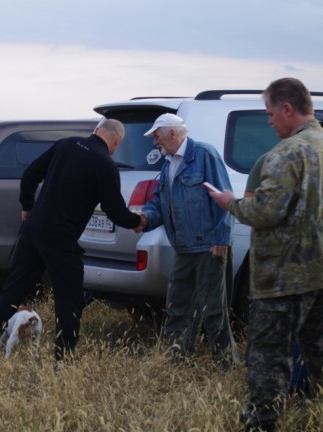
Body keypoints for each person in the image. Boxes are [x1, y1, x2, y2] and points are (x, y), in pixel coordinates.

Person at [0, 117, 145, 362]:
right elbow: (114, 211)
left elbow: (30, 175)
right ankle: (63, 359)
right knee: (70, 298)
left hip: (33, 229)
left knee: (14, 289)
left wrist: (27, 206)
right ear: (116, 141)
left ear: (96, 130)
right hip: (61, 237)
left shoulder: (66, 144)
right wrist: (137, 222)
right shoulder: (105, 164)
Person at [211, 77, 323, 432]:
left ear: (287, 109)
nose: (269, 120)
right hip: (319, 274)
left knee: (267, 361)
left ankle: (261, 424)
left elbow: (265, 212)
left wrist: (230, 203)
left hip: (284, 278)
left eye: (271, 113)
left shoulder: (285, 154)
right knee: (318, 351)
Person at [139, 113, 238, 368]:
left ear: (172, 133)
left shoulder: (205, 154)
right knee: (177, 306)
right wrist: (145, 219)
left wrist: (221, 238)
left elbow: (224, 197)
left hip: (209, 247)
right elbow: (159, 203)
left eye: (157, 136)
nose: (154, 142)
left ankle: (225, 365)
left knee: (213, 309)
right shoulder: (168, 163)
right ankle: (177, 361)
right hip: (183, 247)